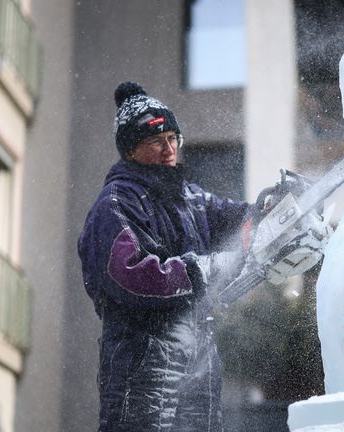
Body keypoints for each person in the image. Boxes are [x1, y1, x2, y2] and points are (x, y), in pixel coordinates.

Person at [78, 81, 319, 431]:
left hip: (199, 357)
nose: (168, 149)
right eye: (155, 142)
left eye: (172, 139)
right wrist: (203, 270)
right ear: (131, 150)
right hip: (144, 362)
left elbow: (236, 218)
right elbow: (130, 274)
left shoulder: (189, 198)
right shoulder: (116, 203)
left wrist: (270, 209)